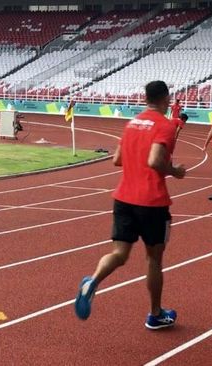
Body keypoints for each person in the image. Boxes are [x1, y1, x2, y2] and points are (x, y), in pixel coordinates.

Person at [74, 80, 186, 330]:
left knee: (119, 254)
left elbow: (117, 160)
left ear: (145, 98)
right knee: (154, 260)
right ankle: (156, 314)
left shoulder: (132, 124)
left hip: (124, 198)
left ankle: (92, 281)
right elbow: (156, 160)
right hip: (152, 201)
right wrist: (174, 171)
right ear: (166, 99)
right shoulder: (165, 126)